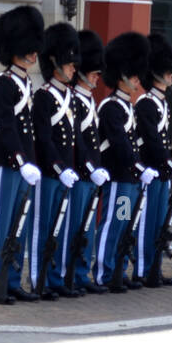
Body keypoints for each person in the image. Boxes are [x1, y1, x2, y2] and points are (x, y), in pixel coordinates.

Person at [0, 4, 45, 304]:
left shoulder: (26, 84)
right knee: (1, 224)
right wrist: (22, 162)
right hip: (6, 164)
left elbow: (28, 131)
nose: (33, 55)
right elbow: (6, 128)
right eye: (28, 49)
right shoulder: (3, 85)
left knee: (18, 225)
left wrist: (31, 163)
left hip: (24, 167)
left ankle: (12, 280)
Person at [93, 31, 155, 292]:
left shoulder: (127, 107)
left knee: (123, 224)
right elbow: (119, 143)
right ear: (121, 77)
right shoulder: (110, 107)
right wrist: (138, 167)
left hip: (129, 179)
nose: (137, 80)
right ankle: (103, 272)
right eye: (133, 75)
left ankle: (116, 269)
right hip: (118, 176)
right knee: (111, 224)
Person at [31, 22, 82, 299]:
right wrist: (59, 169)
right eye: (69, 63)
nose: (74, 68)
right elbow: (44, 138)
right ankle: (39, 278)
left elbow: (73, 139)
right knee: (44, 227)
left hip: (66, 173)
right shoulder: (44, 97)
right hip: (49, 173)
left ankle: (55, 277)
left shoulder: (69, 97)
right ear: (55, 63)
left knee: (60, 229)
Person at [134, 33, 172, 286]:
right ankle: (143, 269)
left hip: (161, 172)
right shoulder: (145, 103)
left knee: (159, 223)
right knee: (146, 224)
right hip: (150, 170)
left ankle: (154, 267)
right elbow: (153, 141)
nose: (171, 75)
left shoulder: (162, 102)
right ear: (156, 72)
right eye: (167, 71)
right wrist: (168, 164)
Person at [64, 29, 111, 295]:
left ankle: (81, 273)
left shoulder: (88, 101)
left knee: (88, 229)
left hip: (91, 174)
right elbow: (77, 142)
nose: (96, 77)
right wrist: (90, 168)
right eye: (93, 72)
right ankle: (73, 273)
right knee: (76, 228)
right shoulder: (75, 101)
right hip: (80, 174)